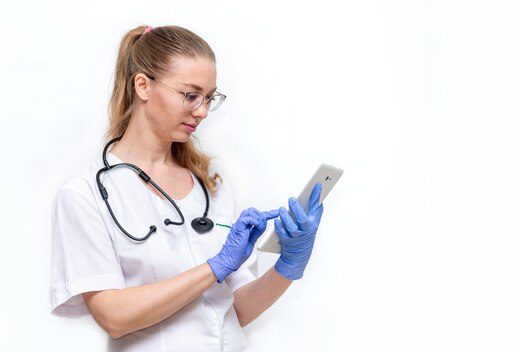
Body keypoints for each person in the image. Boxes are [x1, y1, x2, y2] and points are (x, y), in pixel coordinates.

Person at [50, 25, 324, 352]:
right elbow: (114, 317)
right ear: (143, 86)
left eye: (209, 98)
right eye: (190, 95)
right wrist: (215, 267)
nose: (203, 111)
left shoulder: (211, 185)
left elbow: (232, 310)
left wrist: (287, 268)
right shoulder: (84, 196)